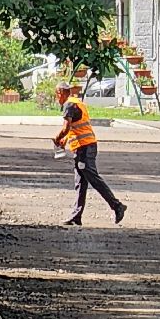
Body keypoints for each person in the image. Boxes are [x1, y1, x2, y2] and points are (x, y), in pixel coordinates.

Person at [53, 80, 127, 226]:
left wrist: (57, 138)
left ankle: (117, 206)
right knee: (80, 183)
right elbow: (75, 128)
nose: (57, 99)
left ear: (60, 93)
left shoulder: (69, 104)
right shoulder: (76, 102)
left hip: (85, 148)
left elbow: (66, 127)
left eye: (56, 96)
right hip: (84, 147)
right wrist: (65, 141)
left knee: (93, 178)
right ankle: (76, 215)